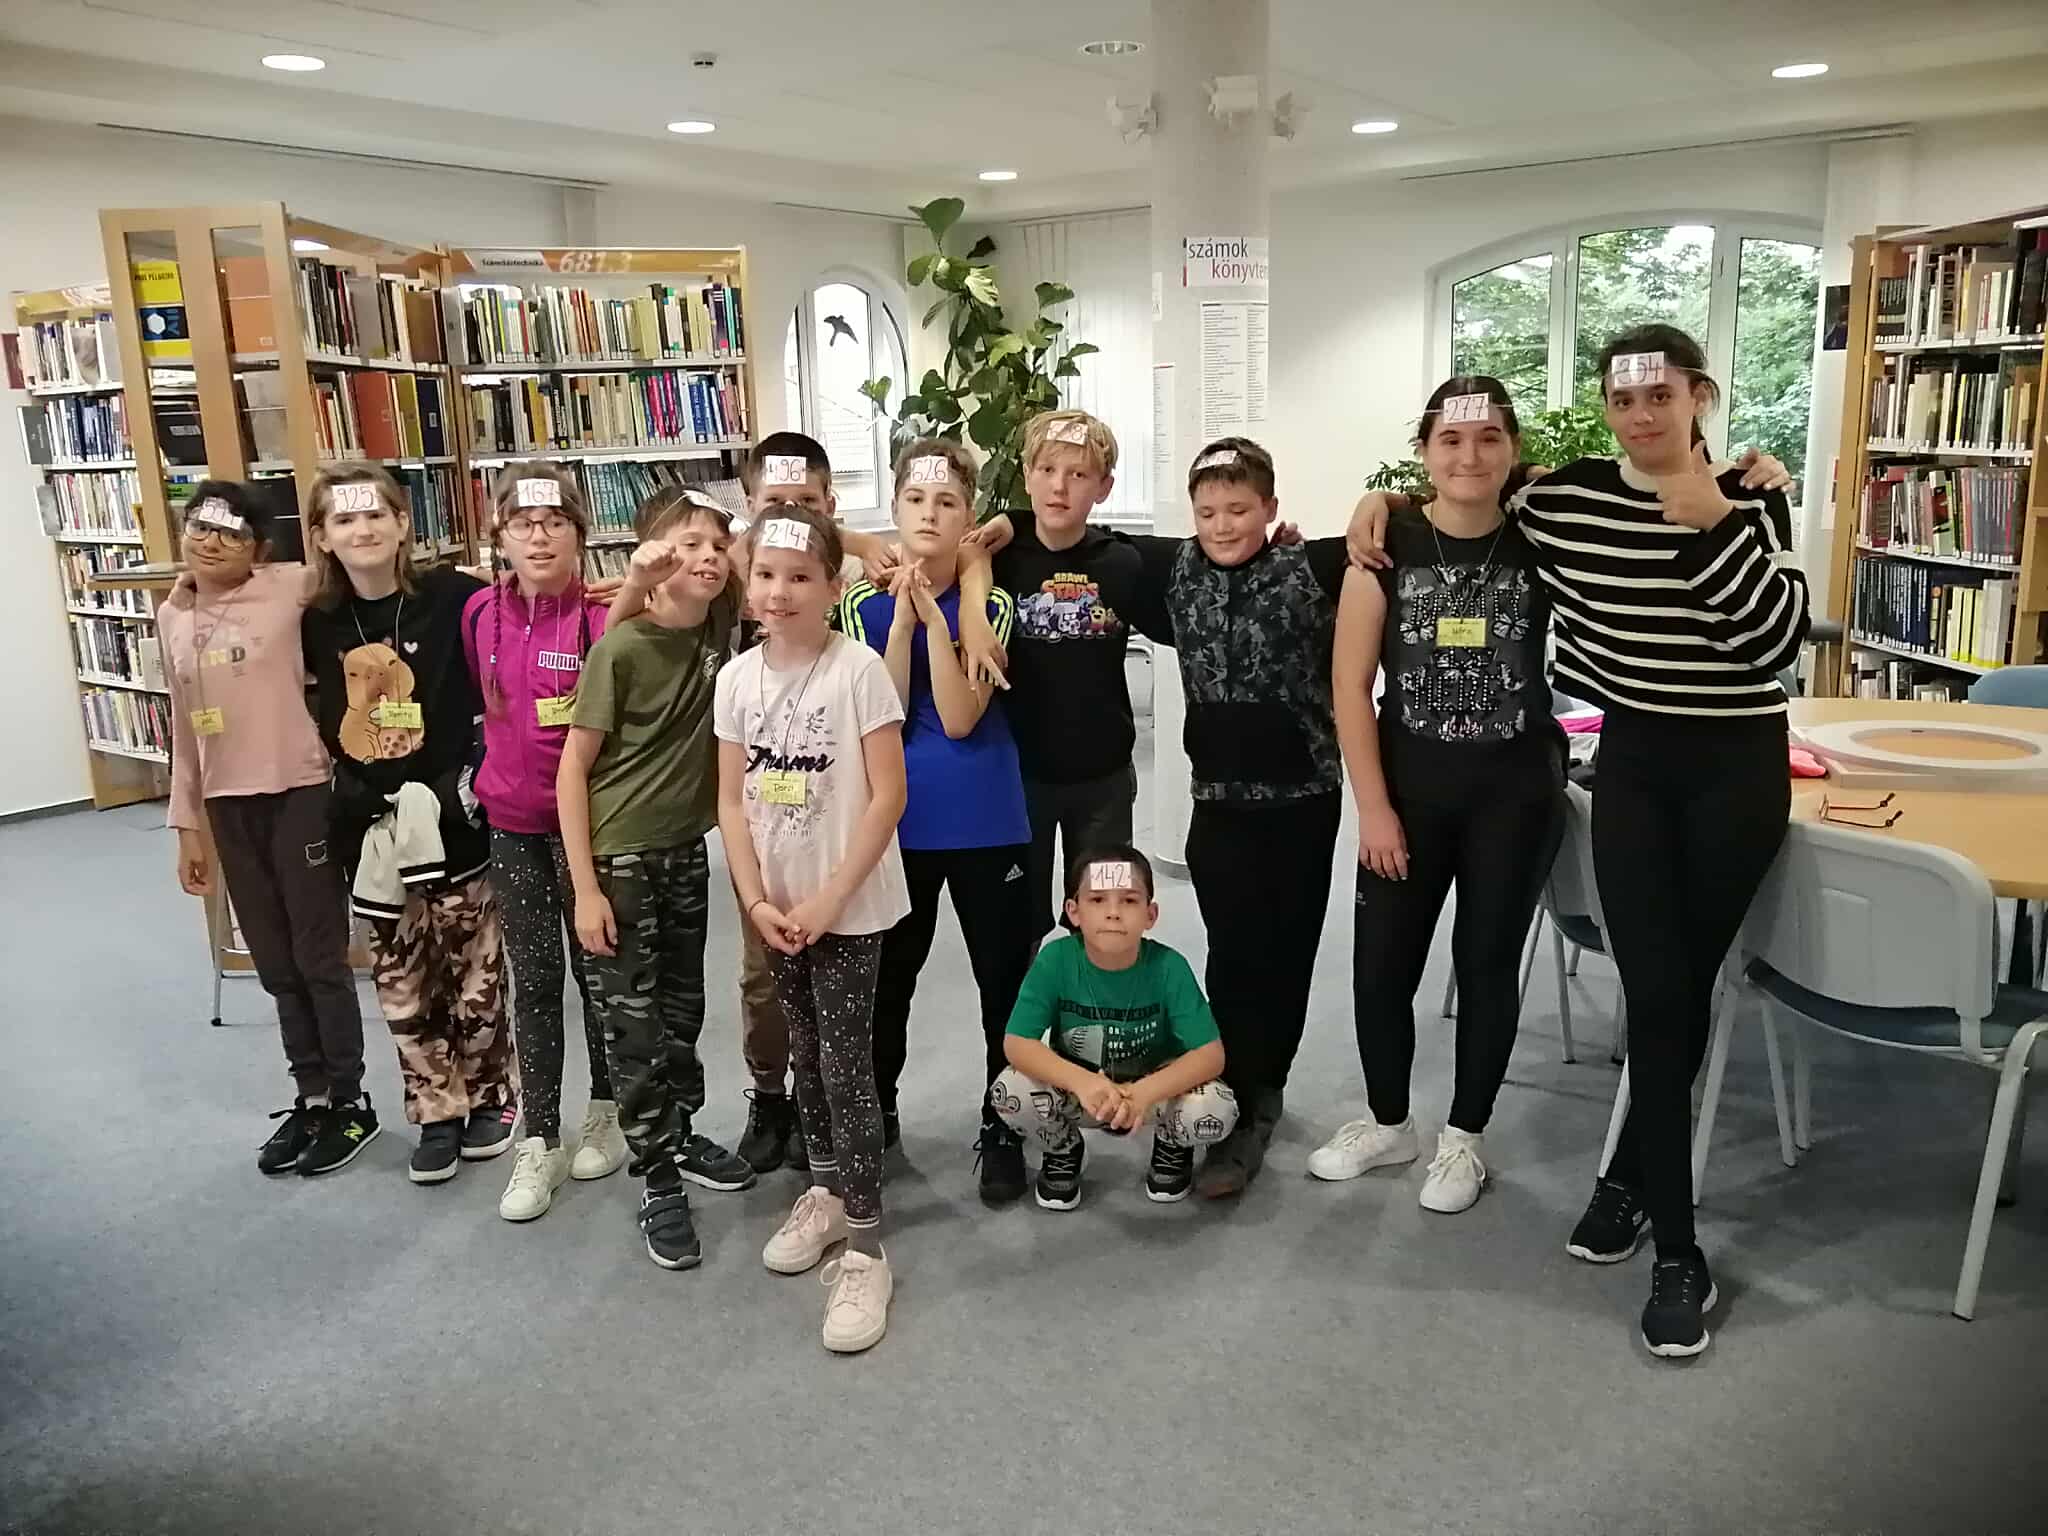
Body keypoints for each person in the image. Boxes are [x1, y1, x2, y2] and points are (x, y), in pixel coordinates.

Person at [1348, 326, 1809, 1358]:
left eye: (1661, 397)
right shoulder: (1564, 501)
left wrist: (1712, 522)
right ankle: (1674, 1242)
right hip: (1635, 767)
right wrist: (1376, 504)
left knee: (1678, 993)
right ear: (1605, 407)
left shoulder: (1749, 496)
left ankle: (1640, 1194)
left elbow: (1774, 643)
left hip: (1736, 769)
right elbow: (1463, 496)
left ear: (1698, 396)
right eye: (1622, 400)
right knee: (1654, 997)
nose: (1641, 416)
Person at [1307, 378, 1565, 1215]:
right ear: (1423, 451)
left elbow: (1635, 495)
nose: (1470, 455)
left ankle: (1465, 1138)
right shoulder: (1387, 545)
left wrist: (1748, 475)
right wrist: (1373, 809)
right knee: (1381, 968)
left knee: (1486, 964)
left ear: (1513, 449)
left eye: (1490, 438)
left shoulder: (1544, 538)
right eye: (1450, 440)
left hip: (1514, 795)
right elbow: (1350, 689)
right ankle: (1390, 1124)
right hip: (1408, 795)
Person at [715, 502, 910, 1353]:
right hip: (777, 905)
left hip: (847, 906)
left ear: (834, 587)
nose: (780, 590)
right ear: (746, 582)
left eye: (800, 577)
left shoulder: (857, 670)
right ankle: (826, 1192)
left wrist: (830, 900)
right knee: (803, 1052)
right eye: (765, 574)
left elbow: (889, 796)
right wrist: (756, 899)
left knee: (845, 1063)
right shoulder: (734, 680)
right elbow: (731, 801)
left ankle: (866, 1245)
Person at [558, 486, 758, 1270]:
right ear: (652, 554)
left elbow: (768, 537)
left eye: (716, 545)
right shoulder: (620, 650)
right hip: (621, 860)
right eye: (687, 544)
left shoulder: (714, 621)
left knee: (681, 1011)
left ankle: (679, 1132)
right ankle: (656, 1174)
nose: (707, 557)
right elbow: (572, 771)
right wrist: (585, 889)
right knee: (633, 1027)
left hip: (683, 852)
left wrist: (693, 554)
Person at [300, 464, 515, 1184]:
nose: (362, 530)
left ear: (401, 523)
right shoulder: (315, 621)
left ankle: (491, 1096)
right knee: (401, 976)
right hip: (370, 826)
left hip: (454, 812)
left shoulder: (455, 596)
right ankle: (434, 1107)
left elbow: (524, 617)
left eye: (375, 515)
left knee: (474, 966)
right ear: (321, 536)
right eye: (344, 519)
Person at [834, 439, 1036, 1203]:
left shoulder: (994, 606)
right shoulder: (860, 603)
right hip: (899, 824)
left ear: (967, 516)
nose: (929, 514)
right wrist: (906, 622)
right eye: (916, 500)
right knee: (890, 981)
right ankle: (880, 1111)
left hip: (988, 819)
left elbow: (956, 718)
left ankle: (1003, 1124)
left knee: (1003, 985)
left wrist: (940, 616)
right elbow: (883, 710)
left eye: (947, 502)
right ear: (893, 509)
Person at [161, 481, 372, 1176]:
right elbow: (183, 730)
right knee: (275, 964)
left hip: (297, 791)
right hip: (227, 805)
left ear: (258, 548)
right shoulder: (172, 612)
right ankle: (311, 1097)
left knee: (318, 955)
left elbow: (368, 567)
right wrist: (186, 825)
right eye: (200, 527)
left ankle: (351, 1101)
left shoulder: (289, 586)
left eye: (230, 533)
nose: (210, 541)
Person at [461, 462, 626, 1223]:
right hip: (513, 825)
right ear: (500, 534)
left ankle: (606, 1110)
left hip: (586, 827)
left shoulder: (604, 617)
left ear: (579, 534)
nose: (539, 537)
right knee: (532, 981)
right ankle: (540, 1137)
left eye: (555, 522)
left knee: (598, 974)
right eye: (523, 524)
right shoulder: (479, 615)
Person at [953, 411, 1147, 940]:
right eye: (1046, 470)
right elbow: (956, 555)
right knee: (1018, 923)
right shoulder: (997, 555)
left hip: (1103, 779)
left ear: (1104, 487)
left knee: (1105, 917)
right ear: (1027, 474)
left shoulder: (1122, 562)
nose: (1059, 486)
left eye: (1078, 474)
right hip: (1019, 775)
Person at [993, 846, 1237, 1208]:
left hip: (1154, 1092)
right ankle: (1062, 1148)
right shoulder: (1055, 961)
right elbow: (1017, 1042)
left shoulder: (1169, 967)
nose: (1112, 912)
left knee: (1215, 1107)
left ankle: (1172, 1143)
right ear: (1073, 912)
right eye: (1097, 899)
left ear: (1151, 914)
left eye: (1129, 900)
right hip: (1082, 1091)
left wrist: (1143, 1093)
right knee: (1009, 1090)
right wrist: (1082, 1082)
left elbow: (1210, 1055)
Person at [721, 432, 836, 1176]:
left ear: (830, 505)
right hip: (762, 825)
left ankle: (825, 1098)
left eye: (807, 504)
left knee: (838, 975)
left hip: (836, 825)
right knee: (763, 976)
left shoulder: (839, 587)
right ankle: (770, 1095)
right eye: (774, 504)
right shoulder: (736, 584)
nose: (791, 516)